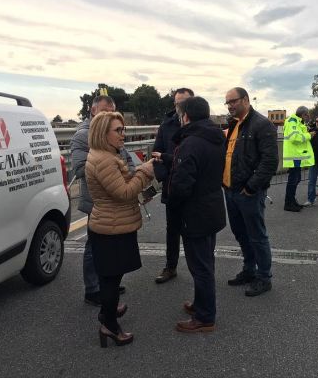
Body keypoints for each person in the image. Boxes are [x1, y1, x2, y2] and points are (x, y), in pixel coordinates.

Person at [86, 111, 154, 347]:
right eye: (118, 130)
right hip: (111, 228)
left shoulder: (104, 154)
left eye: (123, 129)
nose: (123, 134)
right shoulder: (104, 160)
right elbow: (124, 192)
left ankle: (109, 311)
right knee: (111, 280)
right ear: (102, 133)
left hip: (111, 224)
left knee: (111, 277)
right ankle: (110, 325)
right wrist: (145, 172)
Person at [164, 96, 226, 333]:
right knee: (206, 262)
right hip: (211, 207)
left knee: (200, 267)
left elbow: (182, 185)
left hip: (195, 213)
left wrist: (173, 203)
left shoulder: (190, 143)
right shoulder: (215, 138)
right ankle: (201, 304)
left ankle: (205, 317)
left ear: (186, 116)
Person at [70, 95, 133, 306]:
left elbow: (128, 160)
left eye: (112, 111)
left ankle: (108, 282)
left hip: (116, 196)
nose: (109, 114)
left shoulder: (112, 132)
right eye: (105, 110)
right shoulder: (83, 135)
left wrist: (127, 175)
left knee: (112, 246)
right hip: (97, 199)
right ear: (93, 110)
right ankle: (93, 289)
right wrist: (107, 163)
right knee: (94, 246)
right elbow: (79, 169)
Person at [223, 87, 278, 297]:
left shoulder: (261, 124)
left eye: (233, 101)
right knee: (240, 233)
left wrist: (251, 186)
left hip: (248, 192)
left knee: (257, 236)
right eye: (227, 102)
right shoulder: (234, 124)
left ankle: (264, 278)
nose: (230, 106)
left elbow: (270, 161)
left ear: (245, 99)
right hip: (230, 190)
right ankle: (249, 270)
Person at [152, 88, 194, 284]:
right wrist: (164, 176)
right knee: (172, 229)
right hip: (172, 186)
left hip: (193, 188)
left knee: (194, 230)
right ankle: (171, 266)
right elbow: (156, 153)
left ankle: (198, 269)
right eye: (178, 103)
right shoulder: (166, 125)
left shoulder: (200, 125)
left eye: (185, 103)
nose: (181, 106)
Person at [282, 106, 315, 212]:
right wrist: (309, 135)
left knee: (297, 179)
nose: (308, 117)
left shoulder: (298, 122)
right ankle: (288, 203)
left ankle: (292, 201)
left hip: (296, 156)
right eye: (307, 115)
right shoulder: (292, 121)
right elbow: (295, 138)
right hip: (294, 157)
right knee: (293, 180)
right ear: (304, 114)